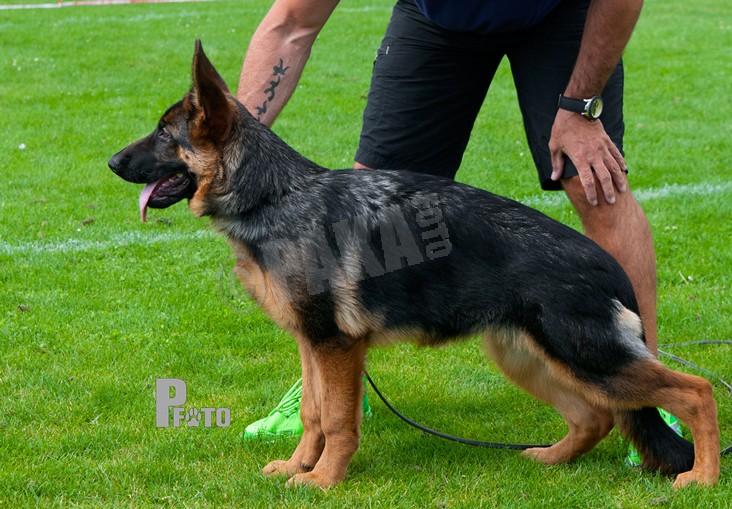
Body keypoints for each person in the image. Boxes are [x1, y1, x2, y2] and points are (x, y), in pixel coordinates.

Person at [238, 0, 657, 441]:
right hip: (438, 21)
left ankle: (644, 389)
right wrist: (233, 139)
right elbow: (290, 24)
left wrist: (580, 107)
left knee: (596, 184)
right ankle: (329, 393)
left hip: (558, 14)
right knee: (369, 210)